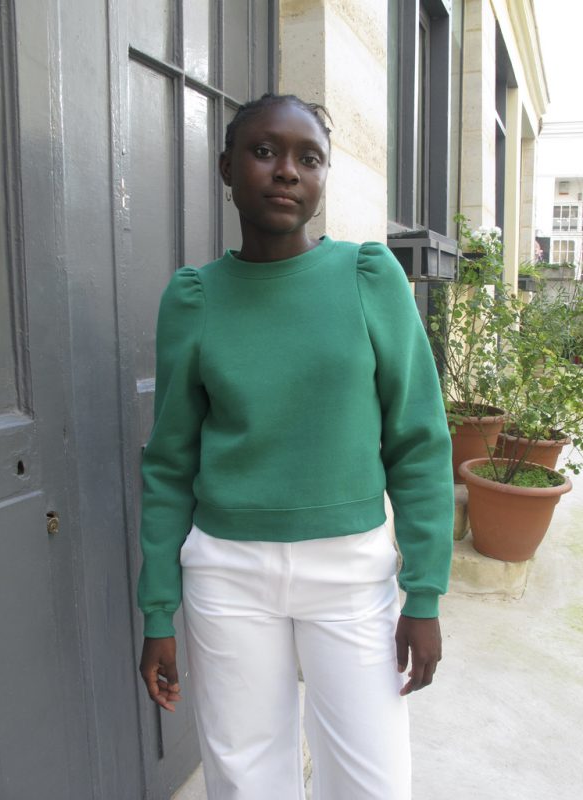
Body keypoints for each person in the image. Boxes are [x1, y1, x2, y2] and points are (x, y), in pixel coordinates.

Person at [138, 93, 454, 800]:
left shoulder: (368, 278)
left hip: (351, 573)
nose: (287, 171)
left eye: (309, 158)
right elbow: (169, 463)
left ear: (323, 177)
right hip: (227, 575)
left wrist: (425, 593)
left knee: (374, 782)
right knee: (245, 780)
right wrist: (158, 610)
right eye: (264, 152)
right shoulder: (195, 298)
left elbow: (418, 441)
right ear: (227, 167)